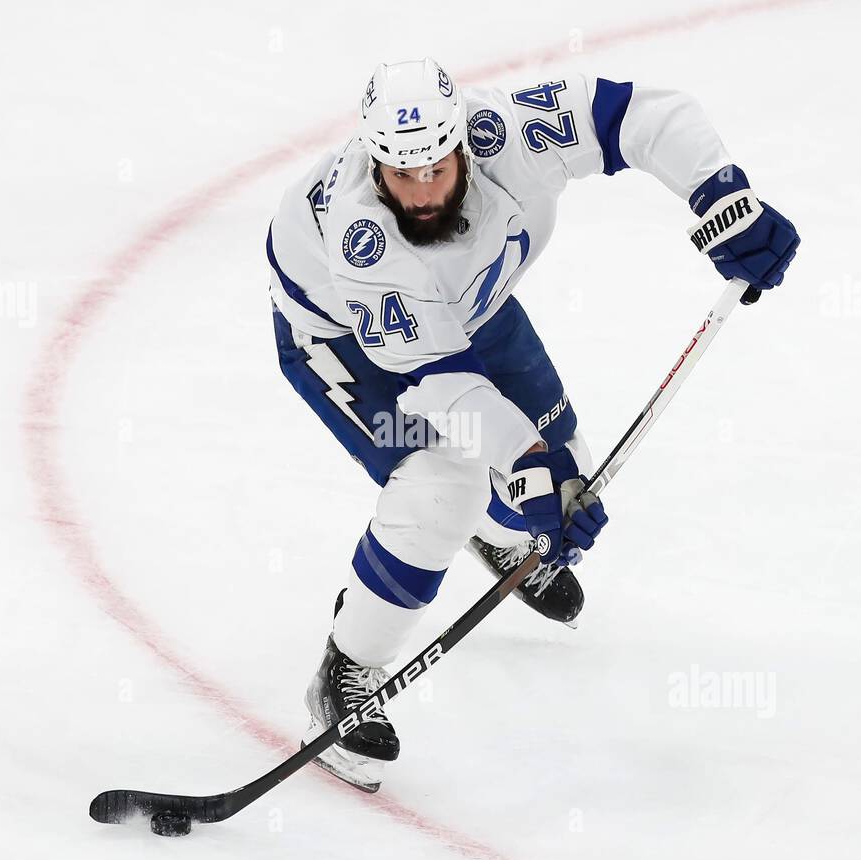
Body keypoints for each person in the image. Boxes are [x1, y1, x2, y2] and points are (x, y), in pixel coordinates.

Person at [266, 58, 799, 791]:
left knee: (563, 466)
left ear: (465, 145)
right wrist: (522, 459)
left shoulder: (510, 131)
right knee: (444, 484)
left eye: (437, 169)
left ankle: (500, 522)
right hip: (346, 341)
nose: (421, 193)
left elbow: (641, 114)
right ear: (373, 160)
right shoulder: (364, 243)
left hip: (467, 314)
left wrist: (720, 194)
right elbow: (439, 387)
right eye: (401, 174)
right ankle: (345, 668)